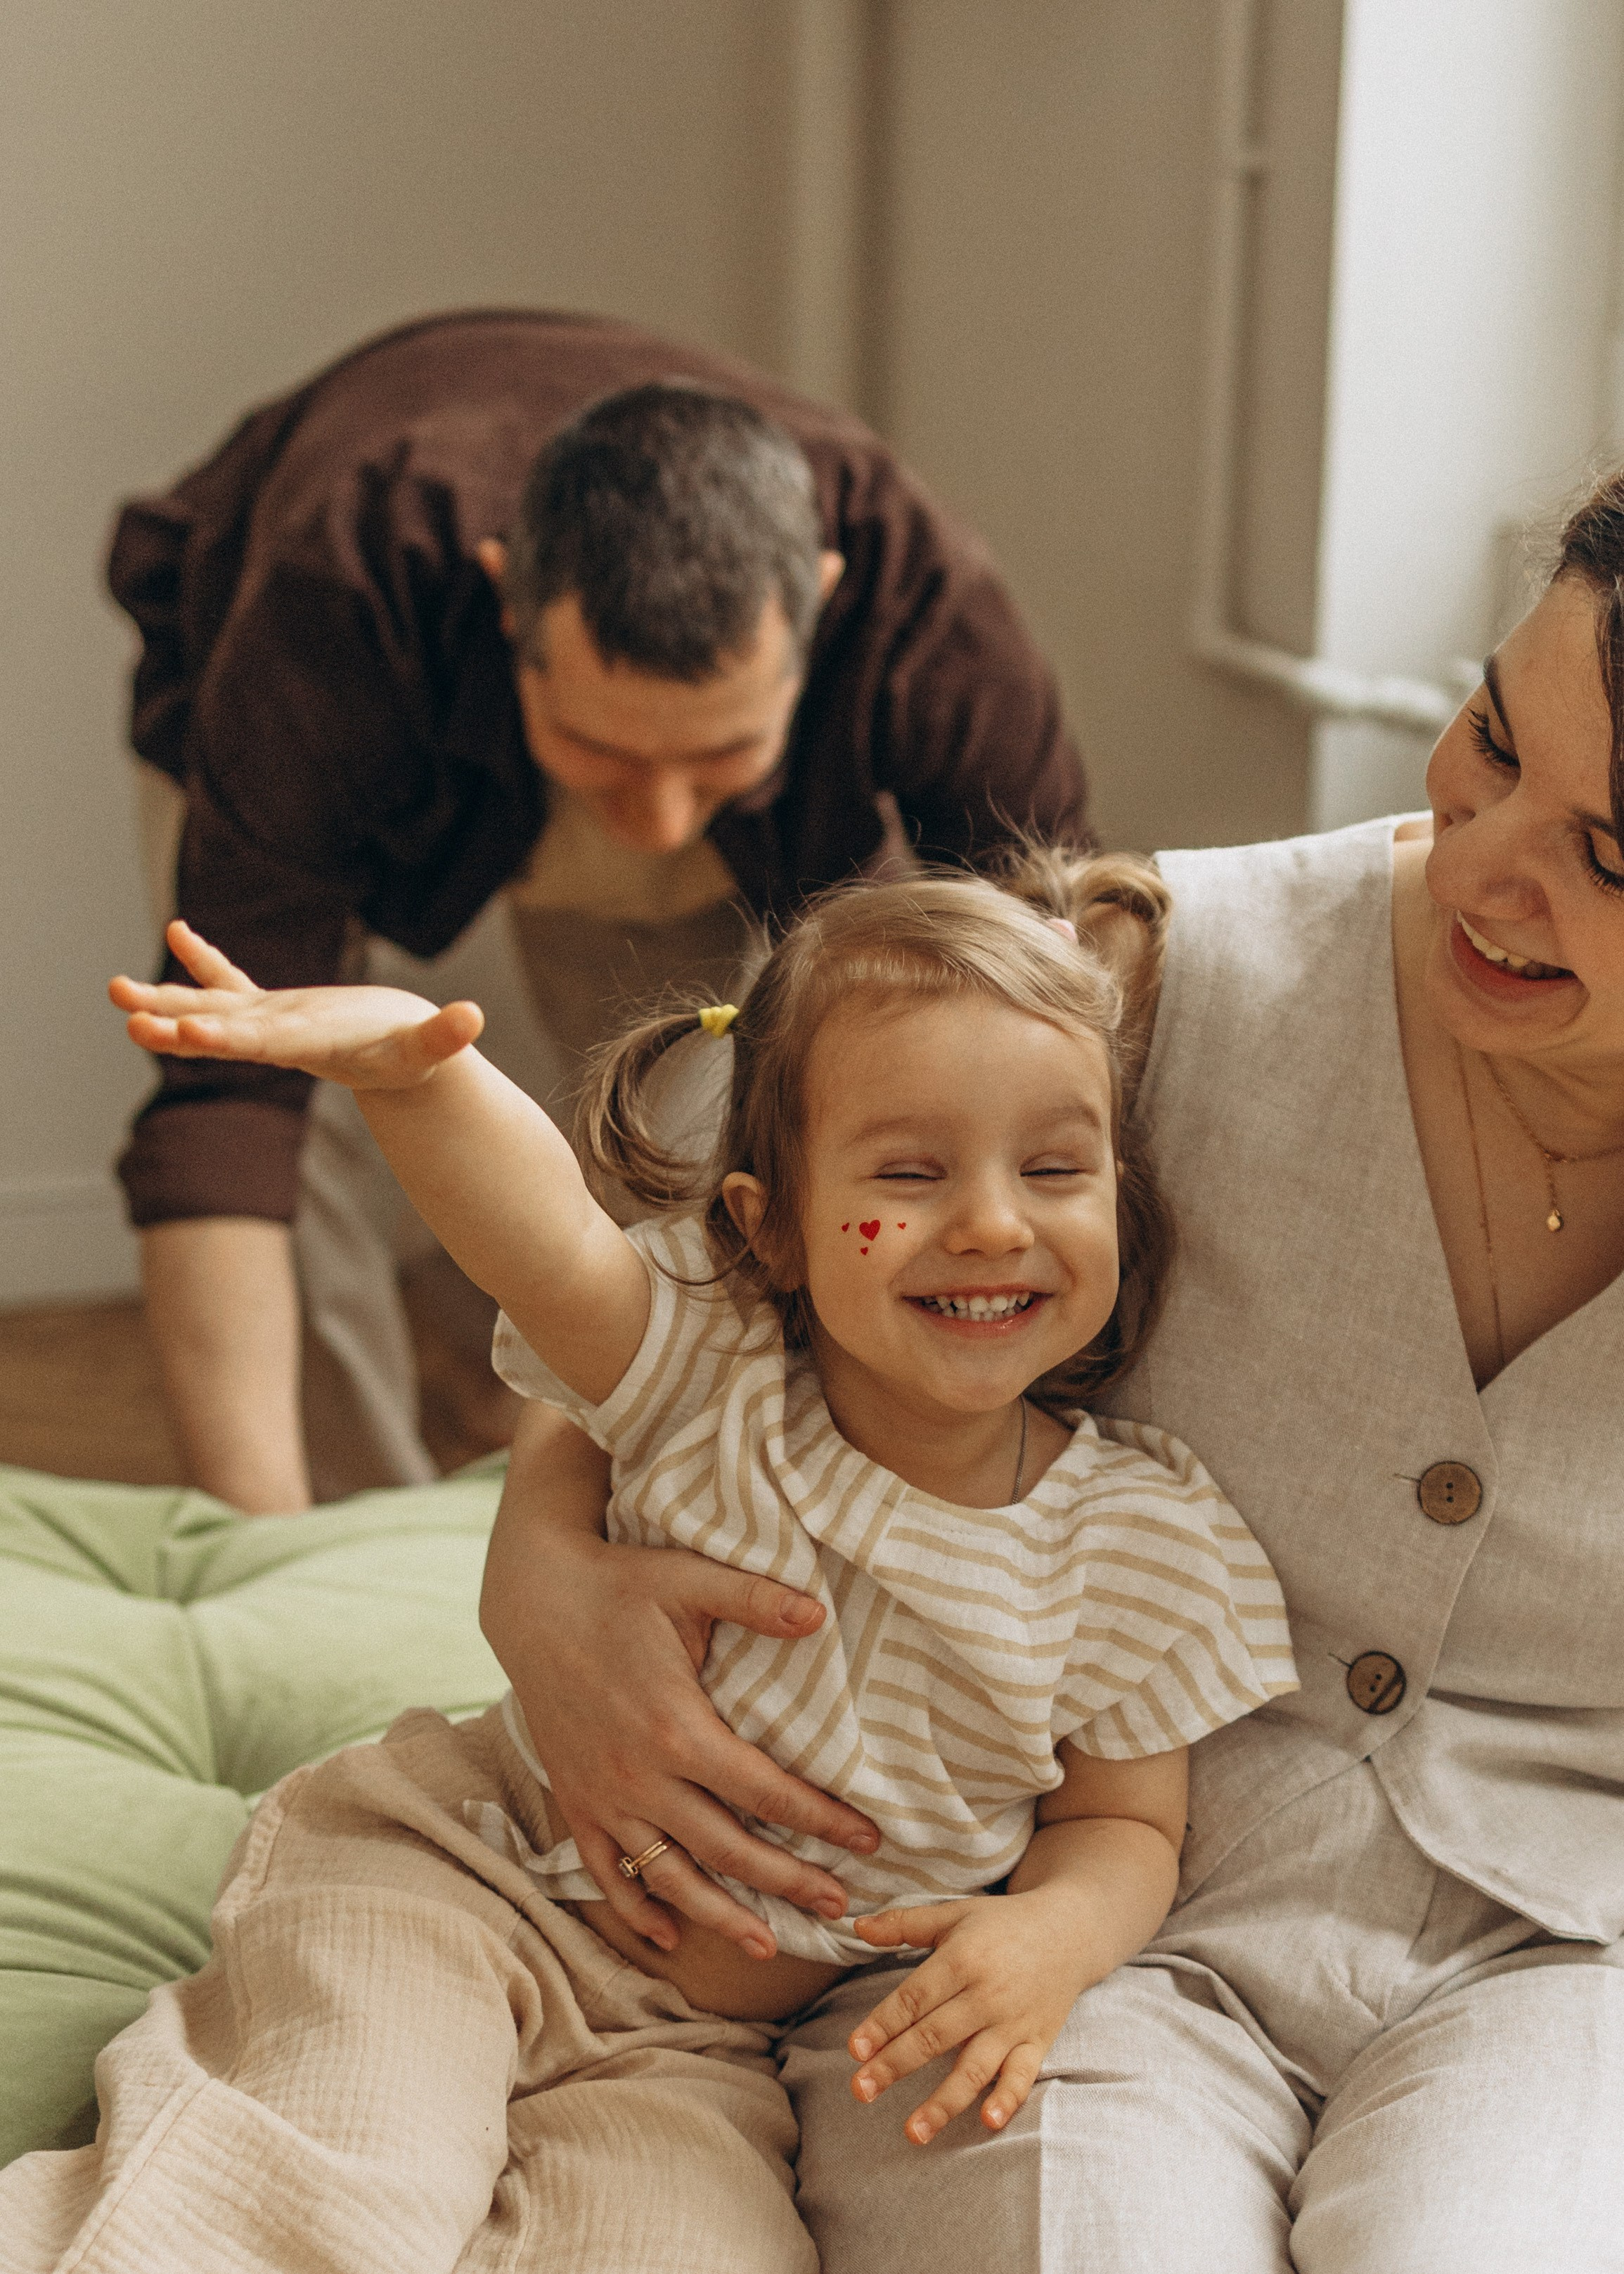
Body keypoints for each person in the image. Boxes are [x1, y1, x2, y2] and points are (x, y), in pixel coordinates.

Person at [474, 466, 1624, 2272]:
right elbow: (691, 1272)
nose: (1484, 862)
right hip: (1044, 1912)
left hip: (1575, 1970)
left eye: (1607, 853)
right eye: (1489, 738)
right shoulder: (1149, 975)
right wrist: (537, 1565)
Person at [0, 854, 1294, 2270]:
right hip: (470, 1890)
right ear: (770, 1227)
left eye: (1054, 1169)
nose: (992, 1221)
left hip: (716, 2049)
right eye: (911, 1175)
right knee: (329, 2183)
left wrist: (1053, 1938)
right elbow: (543, 1239)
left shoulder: (1142, 1545)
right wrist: (408, 1077)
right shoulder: (705, 1369)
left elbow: (1125, 1828)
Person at [111, 311, 1088, 1512]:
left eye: (719, 753)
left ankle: (656, 1474)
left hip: (671, 768)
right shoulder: (339, 585)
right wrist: (263, 1552)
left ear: (822, 612)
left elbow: (1064, 978)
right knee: (284, 1080)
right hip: (288, 681)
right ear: (505, 600)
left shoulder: (921, 597)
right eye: (602, 752)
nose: (660, 826)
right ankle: (336, 1530)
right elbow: (227, 1105)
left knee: (700, 1113)